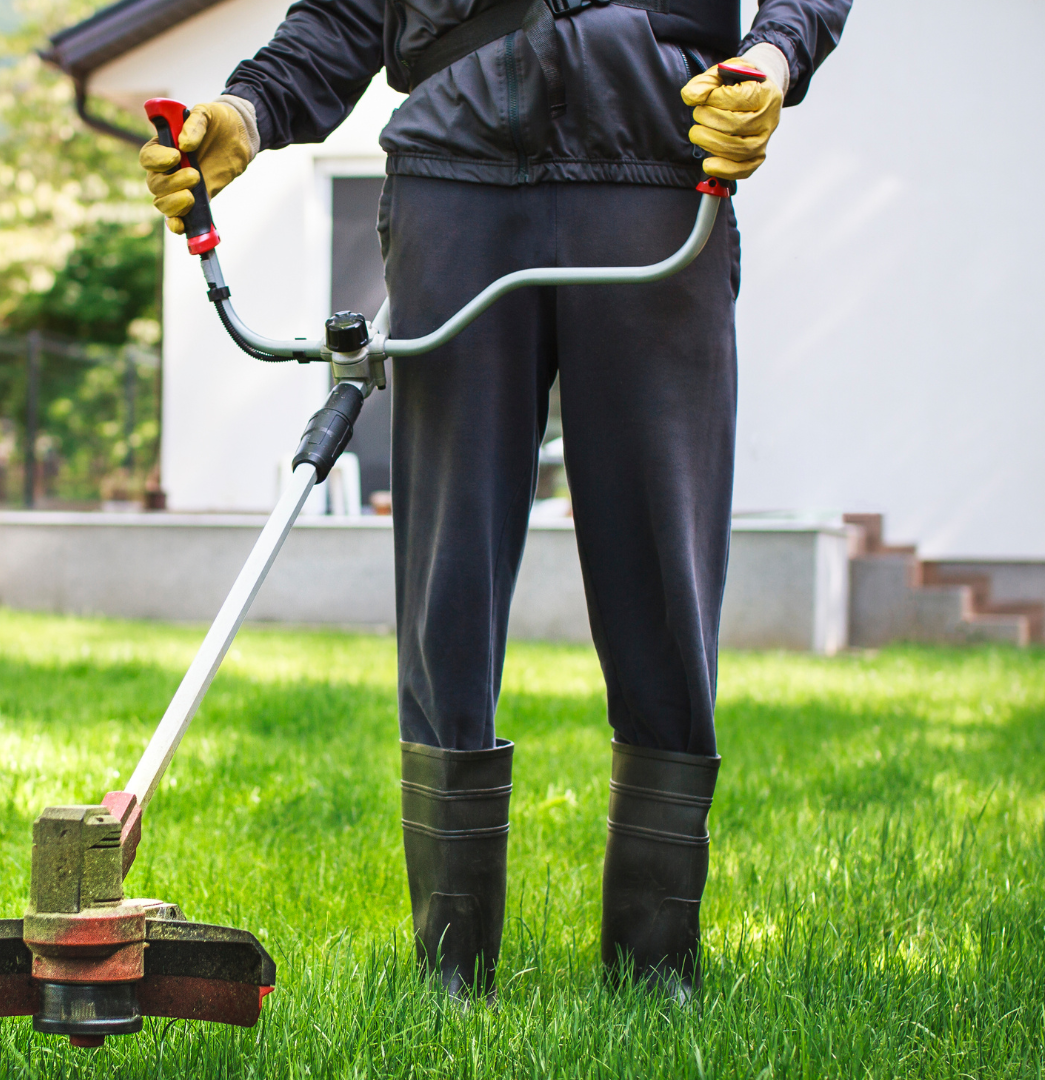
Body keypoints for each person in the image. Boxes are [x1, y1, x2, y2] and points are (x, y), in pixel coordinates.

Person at [140, 0, 851, 999]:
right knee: (449, 576)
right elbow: (346, 17)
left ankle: (656, 962)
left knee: (663, 568)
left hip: (656, 166)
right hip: (453, 184)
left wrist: (775, 58)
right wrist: (249, 111)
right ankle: (451, 964)